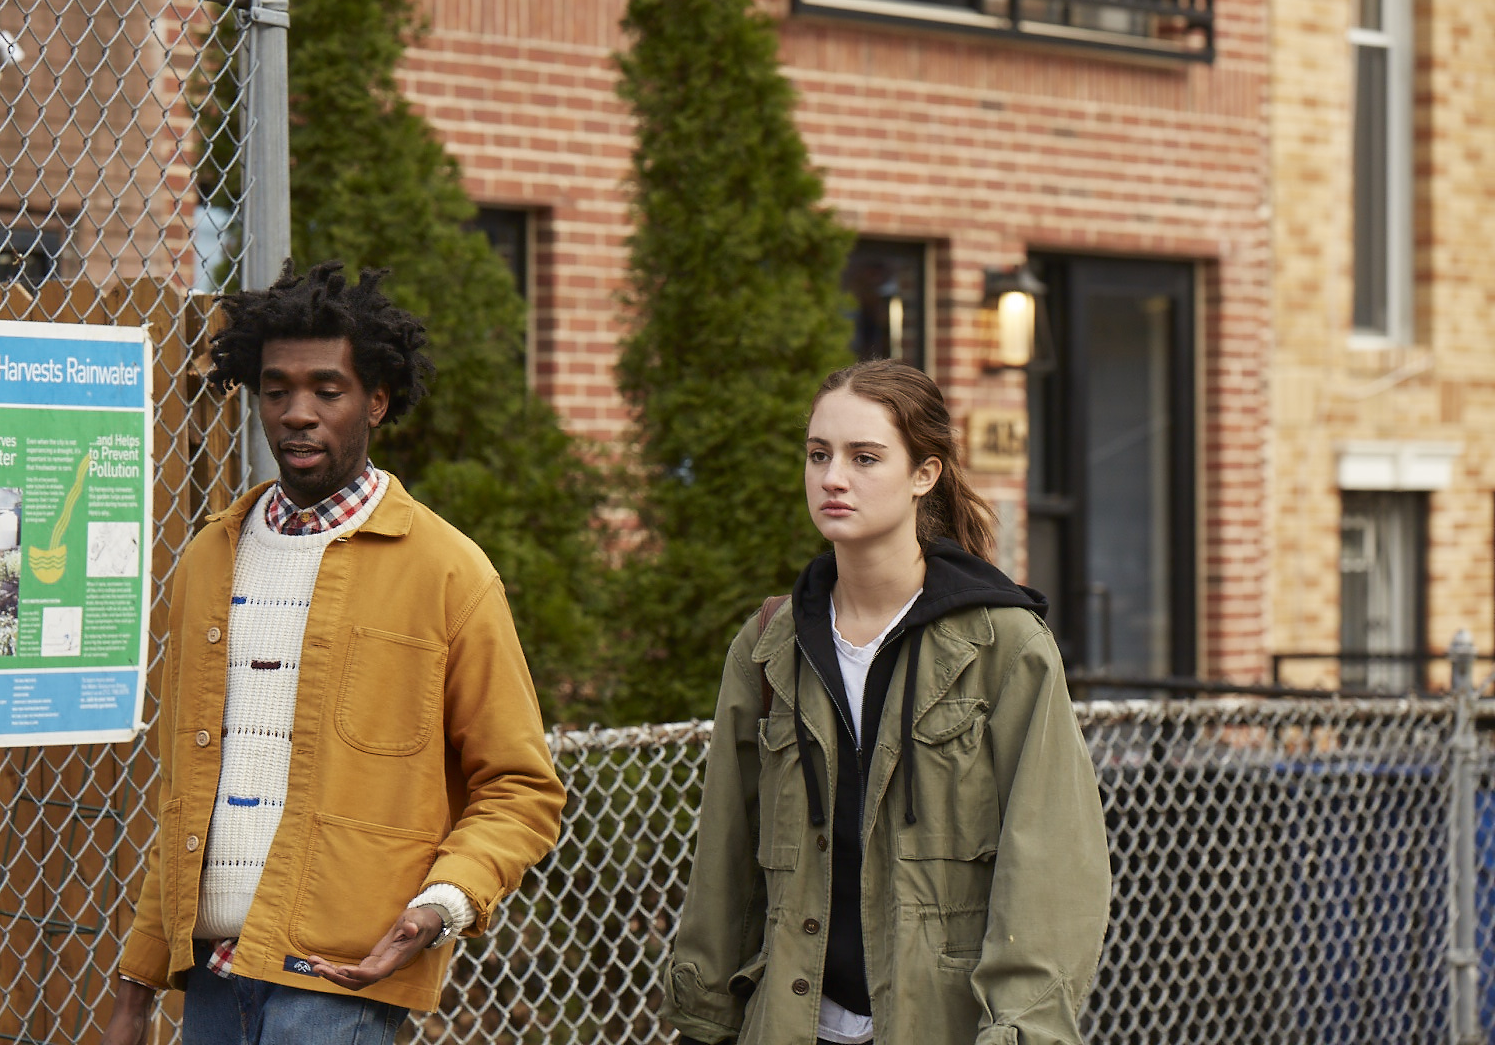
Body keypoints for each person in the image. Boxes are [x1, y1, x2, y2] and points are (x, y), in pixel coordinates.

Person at [102, 261, 565, 1045]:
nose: (297, 414)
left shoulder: (449, 572)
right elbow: (187, 792)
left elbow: (520, 786)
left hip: (340, 985)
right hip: (211, 978)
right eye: (276, 390)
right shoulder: (209, 560)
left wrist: (440, 905)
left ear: (376, 401)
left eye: (327, 389)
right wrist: (137, 983)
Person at [660, 359, 1110, 1045]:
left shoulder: (1004, 647)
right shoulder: (765, 650)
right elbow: (726, 856)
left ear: (924, 474)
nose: (833, 478)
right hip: (789, 1023)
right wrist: (703, 1018)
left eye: (864, 457)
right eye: (819, 455)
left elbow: (1051, 862)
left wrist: (1022, 1029)